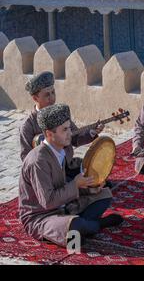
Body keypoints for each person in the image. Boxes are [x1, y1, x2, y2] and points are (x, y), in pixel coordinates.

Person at [19, 103, 123, 247]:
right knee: (76, 225)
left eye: (69, 128)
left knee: (104, 195)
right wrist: (75, 184)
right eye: (65, 130)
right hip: (41, 217)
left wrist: (89, 188)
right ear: (49, 134)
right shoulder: (38, 161)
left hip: (63, 207)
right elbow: (48, 202)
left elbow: (62, 186)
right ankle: (95, 225)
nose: (70, 133)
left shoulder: (59, 150)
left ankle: (81, 229)